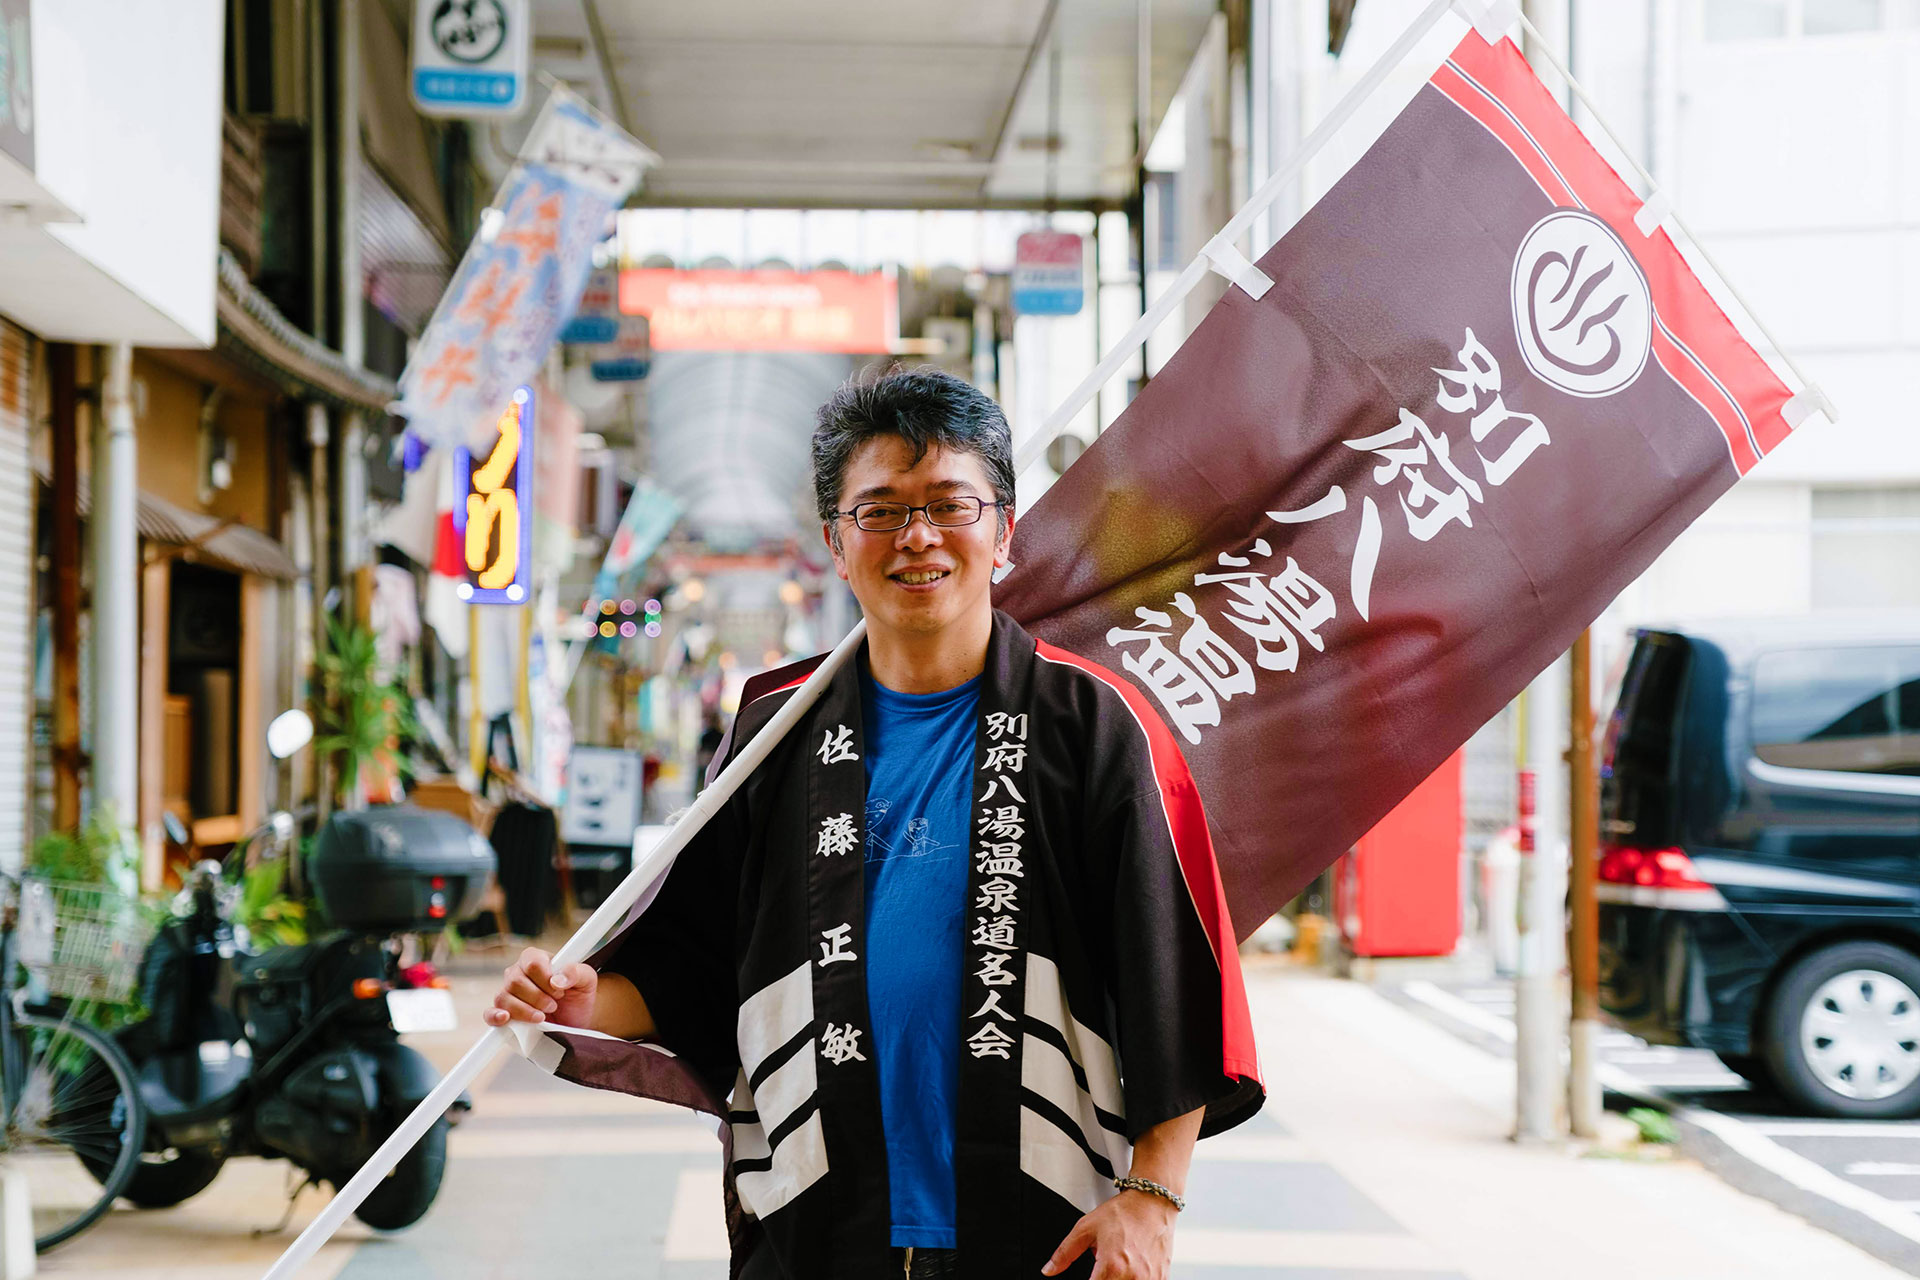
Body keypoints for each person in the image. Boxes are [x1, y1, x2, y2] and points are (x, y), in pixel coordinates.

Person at [487, 368, 1262, 1279]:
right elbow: (698, 957)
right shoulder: (775, 724)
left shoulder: (1091, 724)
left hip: (1042, 1221)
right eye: (881, 510)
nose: (918, 537)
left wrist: (1155, 1196)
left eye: (949, 504)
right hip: (815, 1214)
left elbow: (1173, 970)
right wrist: (584, 999)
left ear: (1005, 529)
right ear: (835, 542)